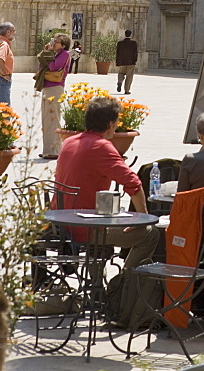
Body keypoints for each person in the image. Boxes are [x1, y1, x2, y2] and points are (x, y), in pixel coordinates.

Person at [55, 95, 159, 268]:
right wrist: (142, 218)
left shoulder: (69, 142)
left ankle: (97, 287)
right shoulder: (101, 146)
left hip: (60, 223)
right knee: (150, 234)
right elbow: (134, 184)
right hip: (84, 228)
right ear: (111, 124)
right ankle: (123, 286)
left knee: (105, 222)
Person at [40, 33, 71, 159]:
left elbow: (53, 67)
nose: (54, 43)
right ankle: (48, 150)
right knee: (46, 119)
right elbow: (42, 65)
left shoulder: (64, 54)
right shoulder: (55, 54)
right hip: (47, 87)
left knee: (53, 118)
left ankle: (55, 150)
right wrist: (47, 52)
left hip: (55, 88)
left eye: (57, 42)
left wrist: (48, 55)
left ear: (63, 45)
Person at [115, 28, 138, 94]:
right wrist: (135, 61)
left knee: (121, 73)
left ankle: (120, 82)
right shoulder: (133, 43)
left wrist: (117, 61)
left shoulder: (120, 43)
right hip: (131, 62)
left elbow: (118, 53)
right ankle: (127, 90)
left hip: (122, 61)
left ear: (125, 34)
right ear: (130, 34)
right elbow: (135, 53)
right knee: (129, 76)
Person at [0, 22, 16, 106]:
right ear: (8, 32)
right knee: (4, 107)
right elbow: (0, 59)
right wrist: (4, 74)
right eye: (14, 31)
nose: (15, 33)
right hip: (2, 79)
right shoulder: (4, 44)